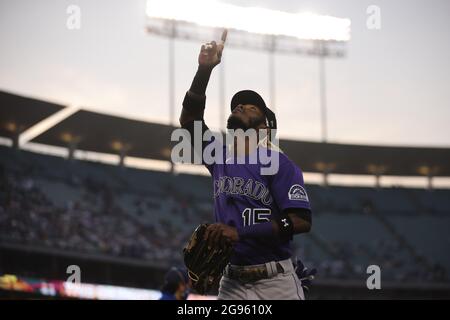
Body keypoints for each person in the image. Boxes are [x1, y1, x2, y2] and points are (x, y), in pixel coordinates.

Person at [179, 30, 313, 300]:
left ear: (264, 126)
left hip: (275, 283)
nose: (240, 106)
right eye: (238, 104)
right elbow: (189, 121)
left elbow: (301, 221)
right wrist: (204, 70)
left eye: (251, 107)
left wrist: (239, 233)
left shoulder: (279, 163)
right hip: (232, 282)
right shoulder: (218, 156)